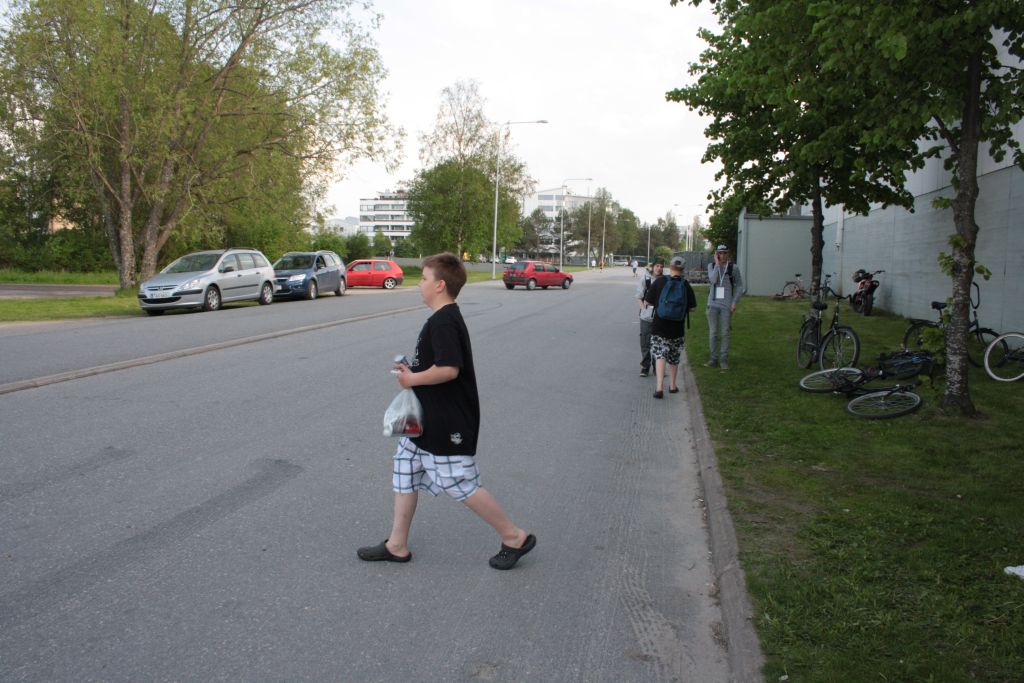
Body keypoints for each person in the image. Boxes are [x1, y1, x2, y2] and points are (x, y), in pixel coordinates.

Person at [357, 253, 536, 570]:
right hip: (425, 421)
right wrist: (412, 371)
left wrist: (412, 379)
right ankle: (397, 545)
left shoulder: (444, 321)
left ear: (440, 285)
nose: (420, 284)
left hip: (446, 421)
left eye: (424, 278)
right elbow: (437, 364)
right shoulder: (441, 318)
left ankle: (514, 537)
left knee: (459, 483)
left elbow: (449, 369)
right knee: (405, 468)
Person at [644, 255, 697, 398]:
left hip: (660, 326)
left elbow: (648, 301)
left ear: (670, 266)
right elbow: (693, 308)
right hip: (677, 328)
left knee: (660, 355)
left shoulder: (660, 281)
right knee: (674, 357)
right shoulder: (685, 285)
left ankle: (659, 387)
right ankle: (673, 386)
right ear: (683, 269)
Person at [705, 244, 744, 370]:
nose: (722, 255)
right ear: (716, 254)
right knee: (713, 333)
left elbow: (739, 286)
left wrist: (734, 302)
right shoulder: (711, 266)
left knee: (725, 333)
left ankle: (723, 360)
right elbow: (713, 280)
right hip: (712, 304)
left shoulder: (733, 268)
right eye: (720, 253)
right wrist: (717, 264)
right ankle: (713, 359)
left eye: (724, 253)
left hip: (726, 305)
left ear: (728, 254)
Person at [635, 259, 664, 377]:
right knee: (645, 342)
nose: (659, 268)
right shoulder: (645, 279)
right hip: (646, 317)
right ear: (652, 267)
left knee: (658, 343)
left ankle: (657, 367)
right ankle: (645, 367)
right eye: (657, 266)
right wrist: (644, 310)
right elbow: (639, 297)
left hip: (660, 317)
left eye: (661, 266)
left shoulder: (664, 280)